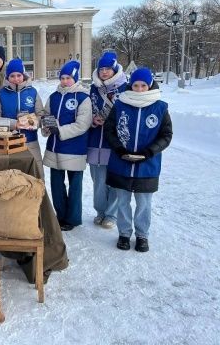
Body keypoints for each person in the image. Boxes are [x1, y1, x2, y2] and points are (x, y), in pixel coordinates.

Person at [104, 67, 173, 252]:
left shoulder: (160, 107)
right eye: (136, 85)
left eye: (143, 85)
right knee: (123, 201)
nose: (140, 89)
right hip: (121, 163)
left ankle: (142, 235)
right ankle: (124, 233)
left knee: (144, 203)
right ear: (131, 85)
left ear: (149, 85)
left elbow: (166, 135)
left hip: (147, 165)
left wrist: (150, 152)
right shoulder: (120, 104)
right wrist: (118, 149)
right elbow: (109, 130)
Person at [42, 60, 91, 231]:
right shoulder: (53, 97)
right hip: (55, 147)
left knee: (75, 185)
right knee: (56, 184)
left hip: (75, 148)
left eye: (68, 78)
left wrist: (60, 131)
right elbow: (46, 115)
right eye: (62, 77)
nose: (64, 81)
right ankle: (60, 215)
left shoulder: (83, 98)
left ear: (75, 78)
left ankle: (73, 218)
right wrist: (46, 127)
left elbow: (82, 125)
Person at [88, 51, 128, 229]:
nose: (104, 72)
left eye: (108, 69)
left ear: (114, 70)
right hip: (96, 139)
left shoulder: (125, 89)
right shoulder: (93, 89)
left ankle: (111, 214)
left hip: (114, 142)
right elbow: (86, 110)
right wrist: (92, 119)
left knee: (113, 180)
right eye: (101, 68)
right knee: (98, 180)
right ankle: (100, 211)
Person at [0, 58, 45, 178]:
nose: (16, 79)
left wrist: (31, 121)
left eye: (19, 75)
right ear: (7, 77)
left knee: (37, 177)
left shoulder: (33, 92)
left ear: (23, 75)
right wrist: (15, 124)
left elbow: (41, 115)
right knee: (11, 180)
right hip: (8, 144)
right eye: (12, 76)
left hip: (30, 143)